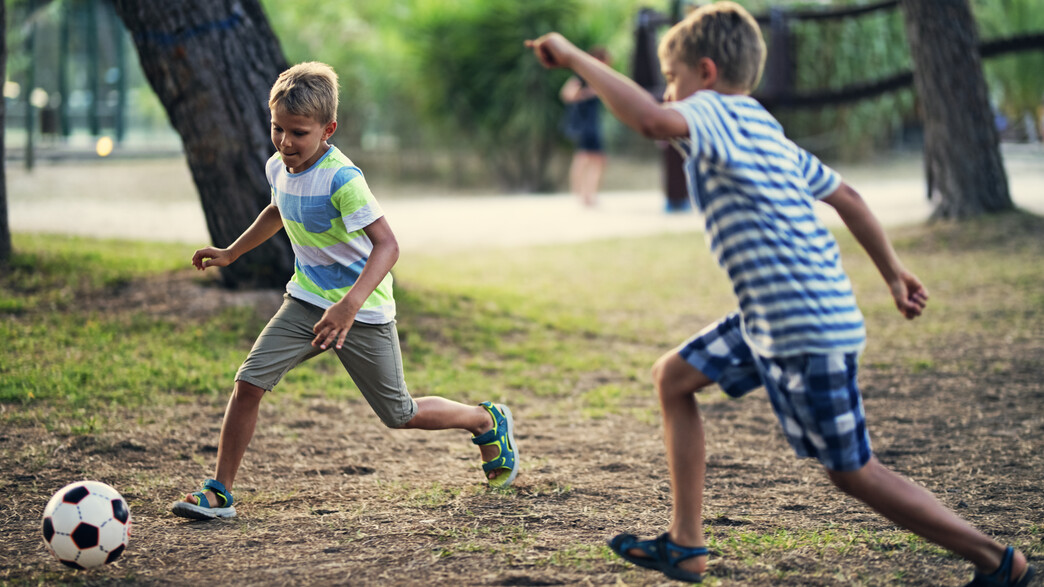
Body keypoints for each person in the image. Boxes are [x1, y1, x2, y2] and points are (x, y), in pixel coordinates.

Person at [525, 4, 1035, 586]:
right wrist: (892, 273)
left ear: (707, 73)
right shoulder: (761, 125)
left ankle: (999, 560)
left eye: (672, 80)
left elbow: (648, 121)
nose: (669, 95)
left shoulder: (712, 112)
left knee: (853, 472)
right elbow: (848, 197)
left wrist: (571, 57)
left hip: (802, 324)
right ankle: (687, 546)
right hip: (772, 316)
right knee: (673, 377)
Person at [171, 62, 520, 520]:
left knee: (399, 413)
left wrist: (349, 305)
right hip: (306, 301)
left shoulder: (343, 179)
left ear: (327, 130)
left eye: (298, 132)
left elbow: (388, 245)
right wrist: (233, 253)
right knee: (248, 383)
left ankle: (485, 419)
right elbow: (278, 209)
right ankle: (219, 492)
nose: (285, 142)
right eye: (277, 128)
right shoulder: (279, 165)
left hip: (363, 311)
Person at [560, 47, 610, 208]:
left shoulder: (597, 77)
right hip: (585, 125)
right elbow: (567, 94)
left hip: (592, 124)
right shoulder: (582, 76)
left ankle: (587, 195)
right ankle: (583, 195)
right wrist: (590, 93)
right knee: (586, 159)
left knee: (592, 159)